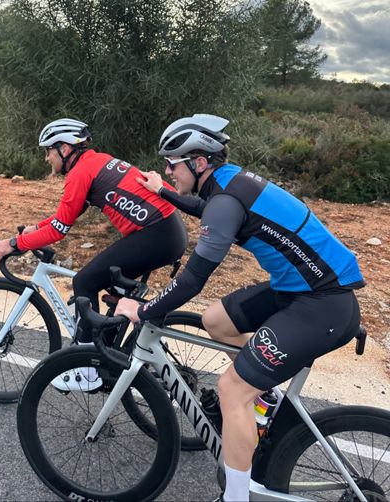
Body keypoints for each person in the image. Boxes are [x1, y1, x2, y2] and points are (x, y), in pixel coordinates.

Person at [115, 114, 364, 502]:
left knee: (231, 390)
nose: (168, 170)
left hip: (322, 305)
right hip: (299, 290)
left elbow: (192, 280)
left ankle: (235, 496)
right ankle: (263, 394)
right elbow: (207, 208)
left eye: (172, 164)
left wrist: (143, 310)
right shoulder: (229, 181)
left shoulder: (225, 198)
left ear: (199, 162)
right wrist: (161, 190)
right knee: (215, 320)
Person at [0, 118, 187, 390]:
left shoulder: (80, 173)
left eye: (48, 151)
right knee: (112, 289)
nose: (46, 158)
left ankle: (87, 371)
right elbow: (65, 216)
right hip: (166, 232)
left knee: (85, 281)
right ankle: (112, 358)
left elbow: (58, 230)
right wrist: (34, 229)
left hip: (157, 235)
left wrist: (13, 244)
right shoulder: (96, 162)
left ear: (64, 149)